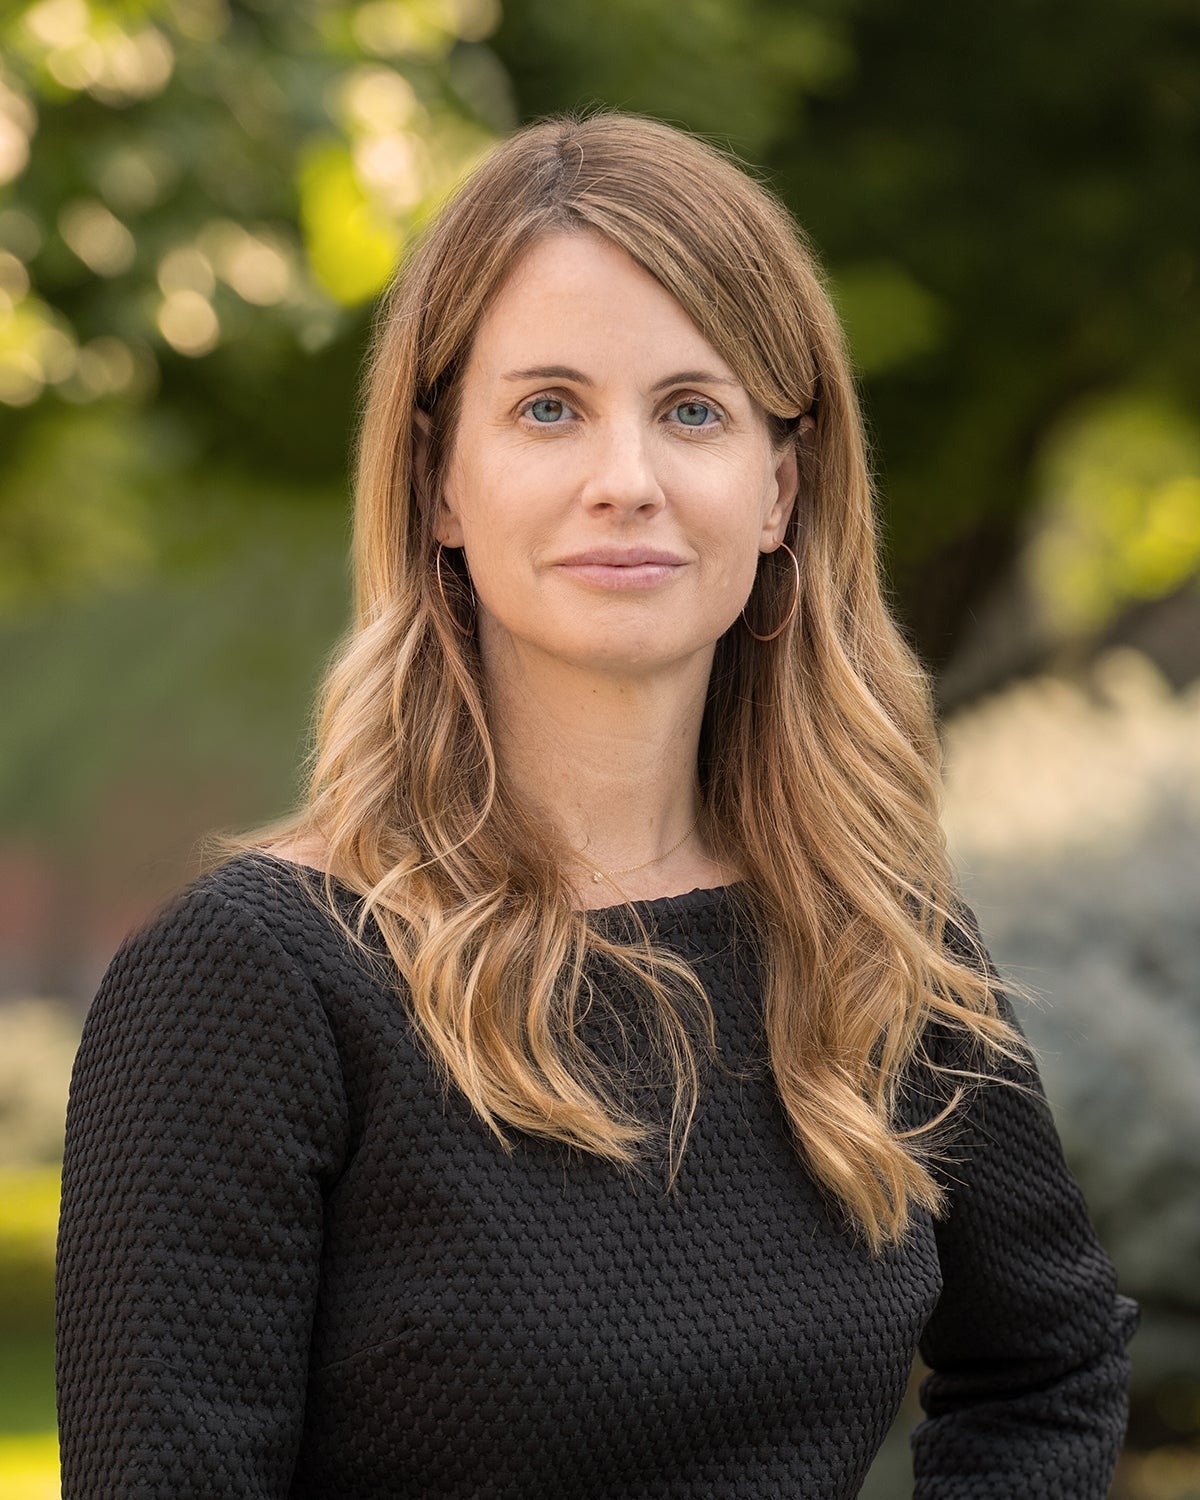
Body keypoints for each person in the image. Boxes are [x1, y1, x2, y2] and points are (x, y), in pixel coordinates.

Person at [55, 111, 1137, 1498]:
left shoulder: (874, 944)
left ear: (779, 490)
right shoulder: (253, 983)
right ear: (441, 480)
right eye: (548, 408)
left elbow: (1049, 1372)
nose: (625, 481)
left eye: (693, 409)